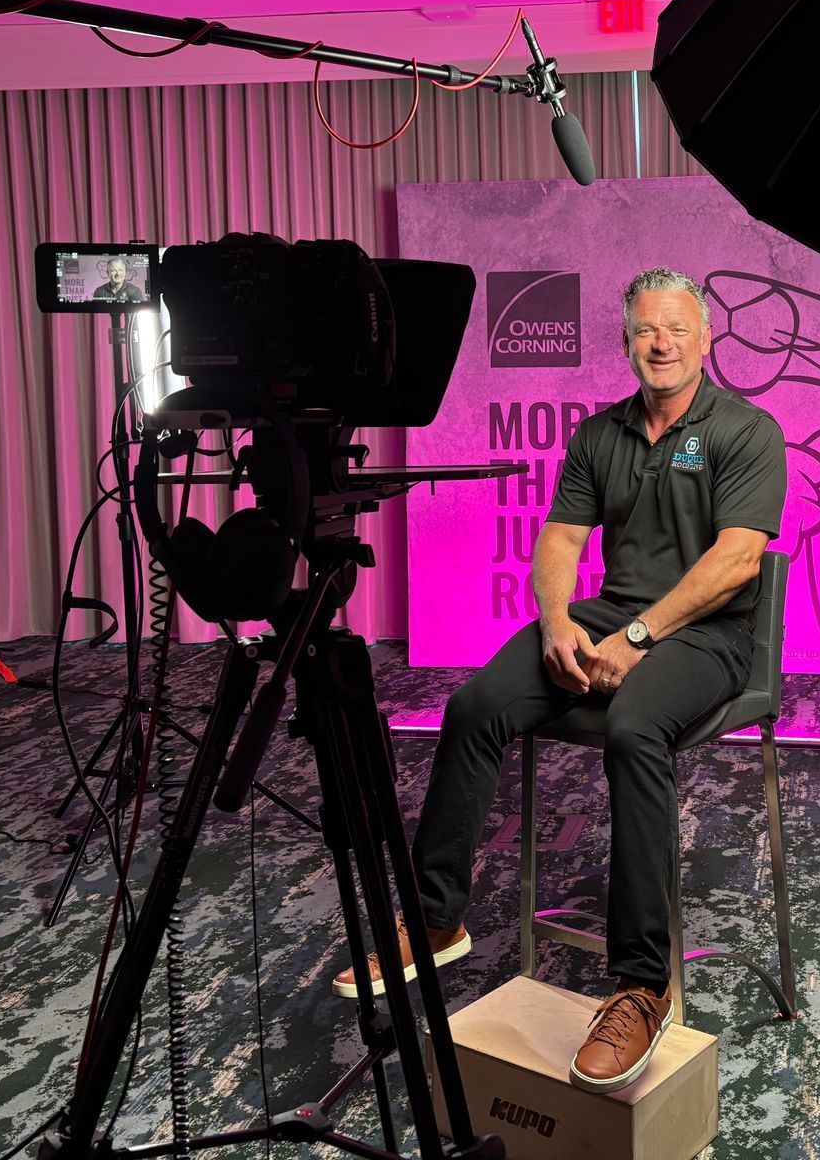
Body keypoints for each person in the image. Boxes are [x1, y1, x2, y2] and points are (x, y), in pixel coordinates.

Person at [335, 267, 788, 1093]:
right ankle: (437, 919)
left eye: (677, 330)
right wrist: (558, 624)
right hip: (609, 616)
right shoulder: (599, 435)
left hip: (710, 638)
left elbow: (737, 561)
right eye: (647, 330)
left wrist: (643, 635)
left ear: (706, 340)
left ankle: (641, 985)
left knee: (633, 726)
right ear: (626, 343)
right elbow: (558, 542)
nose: (661, 344)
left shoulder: (746, 430)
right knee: (475, 706)